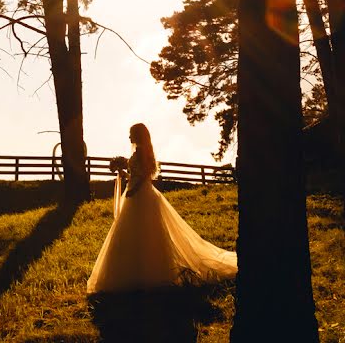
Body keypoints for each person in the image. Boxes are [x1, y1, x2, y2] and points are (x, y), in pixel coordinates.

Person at [87, 123, 237, 293]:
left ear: (138, 135)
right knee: (134, 232)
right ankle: (135, 272)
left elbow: (144, 176)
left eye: (131, 134)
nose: (129, 137)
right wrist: (123, 174)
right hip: (134, 194)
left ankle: (149, 273)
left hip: (140, 195)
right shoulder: (139, 152)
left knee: (146, 232)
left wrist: (133, 190)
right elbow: (136, 175)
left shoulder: (142, 152)